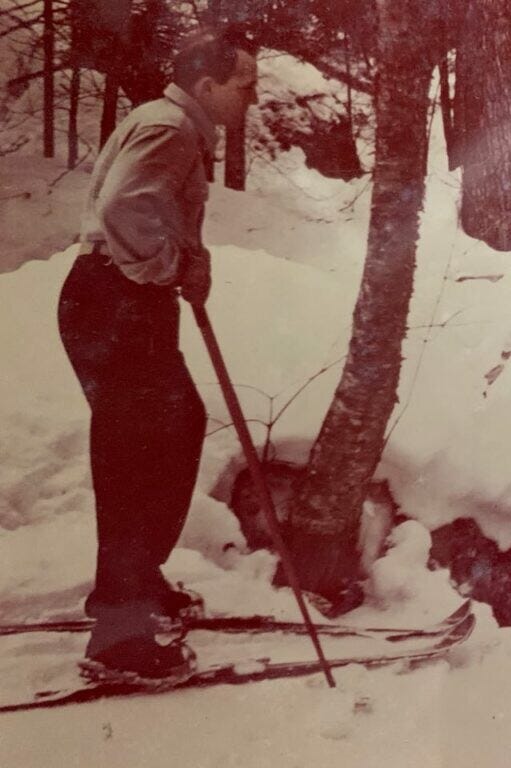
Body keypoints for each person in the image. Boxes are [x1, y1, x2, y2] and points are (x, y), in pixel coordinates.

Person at [58, 28, 259, 680]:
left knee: (163, 436)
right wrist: (173, 267)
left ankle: (131, 586)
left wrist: (179, 266)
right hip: (119, 302)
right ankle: (121, 636)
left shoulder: (165, 120)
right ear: (207, 85)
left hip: (115, 300)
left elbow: (132, 207)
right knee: (140, 455)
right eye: (243, 86)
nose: (249, 100)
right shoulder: (172, 127)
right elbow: (124, 208)